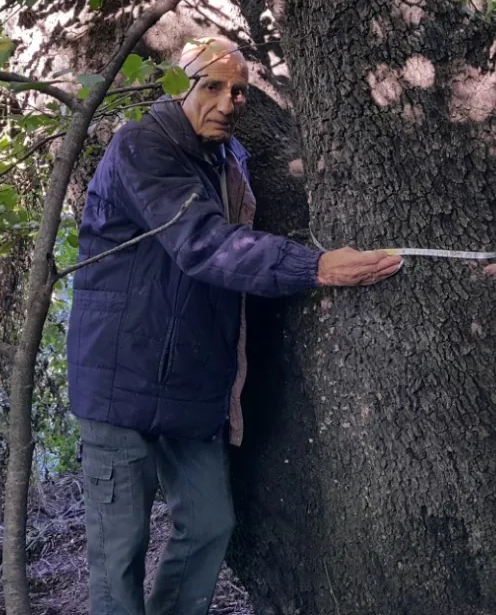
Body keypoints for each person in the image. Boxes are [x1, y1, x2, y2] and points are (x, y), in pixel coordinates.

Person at [66, 37, 401, 615]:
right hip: (121, 381)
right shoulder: (142, 145)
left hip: (192, 383)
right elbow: (200, 244)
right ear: (179, 86)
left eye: (239, 90)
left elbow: (234, 244)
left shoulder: (228, 159)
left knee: (209, 526)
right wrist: (315, 267)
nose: (229, 101)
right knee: (117, 555)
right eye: (213, 86)